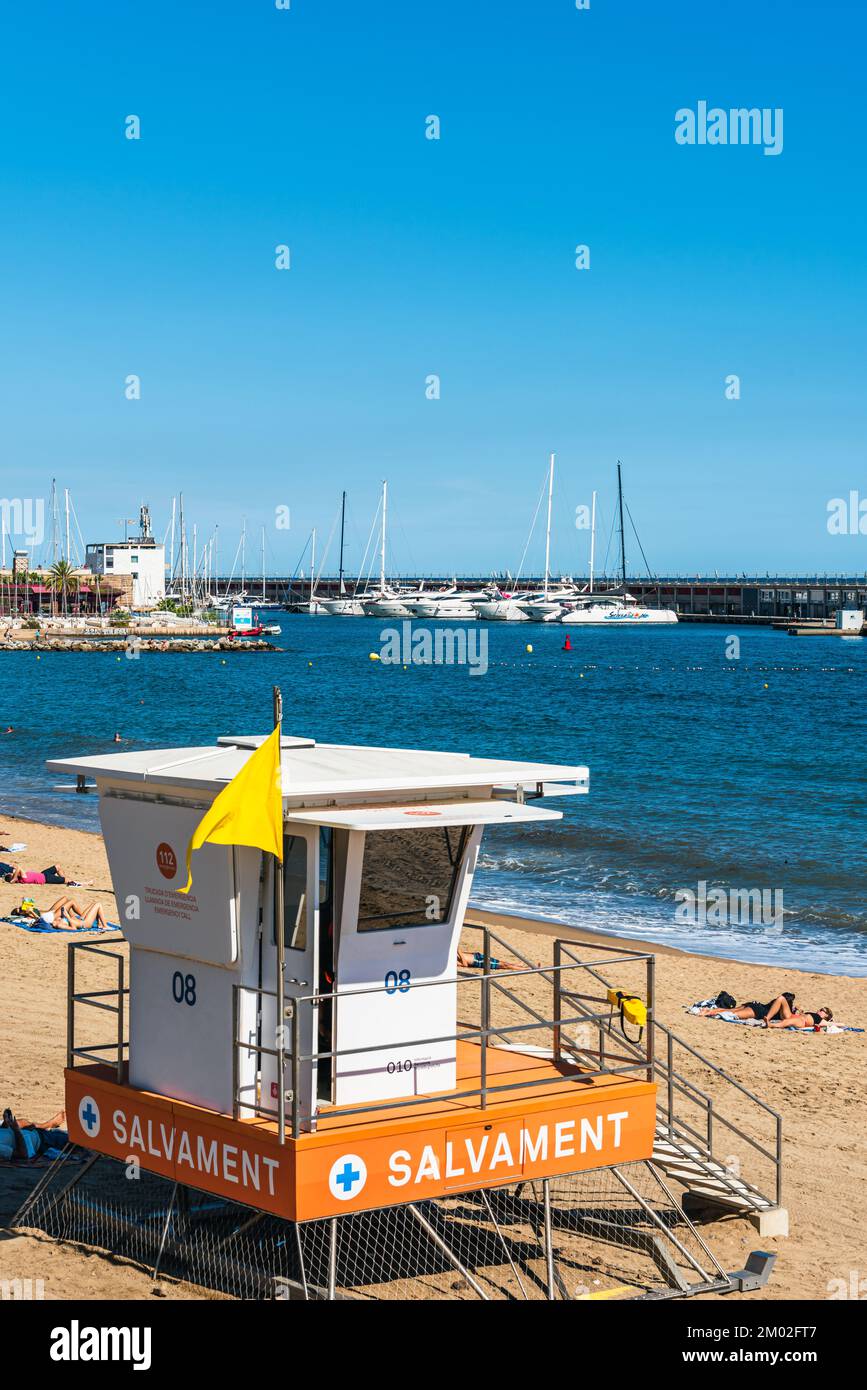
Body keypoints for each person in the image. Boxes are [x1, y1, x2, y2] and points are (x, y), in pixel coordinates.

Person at [18, 896, 109, 931]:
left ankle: (100, 923)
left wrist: (67, 917)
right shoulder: (59, 925)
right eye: (20, 910)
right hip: (83, 923)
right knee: (97, 904)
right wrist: (68, 917)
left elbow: (40, 917)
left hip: (78, 919)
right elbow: (73, 928)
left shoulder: (56, 922)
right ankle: (104, 926)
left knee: (93, 903)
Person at [699, 992, 797, 1022]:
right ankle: (707, 1013)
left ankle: (708, 1010)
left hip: (755, 1005)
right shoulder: (784, 1010)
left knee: (730, 1010)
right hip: (757, 1011)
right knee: (732, 1013)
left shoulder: (775, 1005)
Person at [764, 1005, 833, 1030]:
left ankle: (770, 1025)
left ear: (826, 1015)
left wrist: (831, 1021)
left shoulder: (822, 1021)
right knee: (781, 998)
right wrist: (797, 1011)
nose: (819, 1010)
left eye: (822, 1010)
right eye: (820, 1009)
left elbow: (841, 1025)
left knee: (786, 1022)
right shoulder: (813, 1014)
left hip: (801, 1021)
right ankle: (768, 1018)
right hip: (795, 1016)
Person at [4, 864, 69, 885]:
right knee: (66, 880)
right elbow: (19, 868)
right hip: (46, 878)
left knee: (57, 866)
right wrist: (14, 878)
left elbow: (17, 868)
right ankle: (67, 881)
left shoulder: (21, 877)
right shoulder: (23, 878)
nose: (14, 872)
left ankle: (64, 879)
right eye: (13, 874)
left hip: (43, 874)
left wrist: (13, 865)